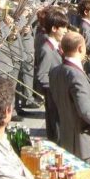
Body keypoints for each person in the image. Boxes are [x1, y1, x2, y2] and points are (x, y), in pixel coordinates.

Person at [49, 32, 90, 166]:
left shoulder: (55, 71)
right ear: (81, 48)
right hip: (82, 143)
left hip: (65, 136)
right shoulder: (76, 75)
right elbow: (85, 111)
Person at [34, 9, 68, 142]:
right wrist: (57, 86)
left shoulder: (56, 45)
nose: (66, 30)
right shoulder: (46, 49)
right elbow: (41, 77)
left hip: (59, 95)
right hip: (54, 96)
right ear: (54, 28)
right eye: (63, 28)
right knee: (57, 133)